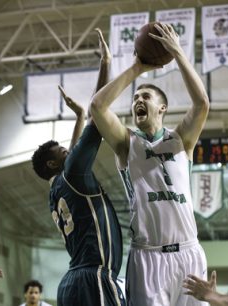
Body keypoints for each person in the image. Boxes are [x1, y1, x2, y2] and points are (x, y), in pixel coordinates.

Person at [90, 22, 210, 306]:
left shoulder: (182, 139)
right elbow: (97, 107)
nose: (137, 101)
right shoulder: (125, 142)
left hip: (189, 253)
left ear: (162, 108)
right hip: (148, 256)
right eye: (135, 98)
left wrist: (178, 53)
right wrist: (137, 68)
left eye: (145, 96)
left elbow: (202, 103)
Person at [31, 29, 125, 306]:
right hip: (93, 277)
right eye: (63, 151)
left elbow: (72, 151)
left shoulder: (56, 188)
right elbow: (99, 113)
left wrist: (79, 115)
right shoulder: (71, 174)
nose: (68, 150)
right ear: (53, 162)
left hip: (73, 281)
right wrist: (106, 65)